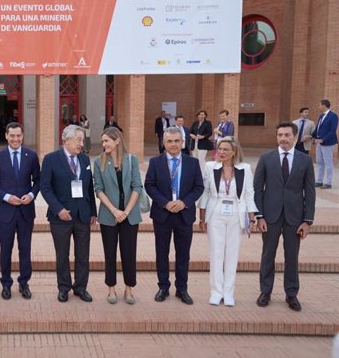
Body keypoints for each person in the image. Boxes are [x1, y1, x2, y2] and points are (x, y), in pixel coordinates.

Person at [254, 121, 315, 311]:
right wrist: (260, 216)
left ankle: (291, 294)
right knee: (267, 255)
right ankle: (265, 291)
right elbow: (257, 189)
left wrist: (308, 221)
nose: (283, 139)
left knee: (292, 256)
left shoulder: (305, 160)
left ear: (295, 137)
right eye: (280, 135)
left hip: (294, 218)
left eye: (287, 135)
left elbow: (310, 191)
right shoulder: (266, 158)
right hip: (270, 217)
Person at [145, 126, 204, 305]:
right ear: (164, 143)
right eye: (169, 141)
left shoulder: (192, 163)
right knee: (162, 252)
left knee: (183, 254)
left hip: (184, 214)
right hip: (162, 214)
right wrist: (166, 202)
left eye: (176, 141)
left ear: (182, 142)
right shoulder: (155, 162)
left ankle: (182, 288)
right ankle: (163, 287)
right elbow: (149, 185)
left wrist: (184, 202)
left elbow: (199, 187)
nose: (173, 144)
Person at [198, 137, 258, 306]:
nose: (221, 153)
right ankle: (216, 292)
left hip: (236, 214)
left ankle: (229, 292)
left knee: (232, 254)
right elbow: (206, 193)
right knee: (216, 253)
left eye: (225, 149)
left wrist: (252, 218)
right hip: (215, 212)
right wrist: (202, 217)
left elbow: (249, 194)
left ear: (234, 152)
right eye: (219, 149)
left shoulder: (245, 169)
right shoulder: (210, 167)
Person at [41, 125, 96, 303]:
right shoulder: (51, 159)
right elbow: (45, 188)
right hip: (60, 217)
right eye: (78, 140)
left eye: (83, 139)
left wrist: (93, 212)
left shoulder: (85, 160)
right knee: (62, 254)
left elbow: (89, 188)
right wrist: (58, 209)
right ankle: (64, 287)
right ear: (66, 140)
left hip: (82, 215)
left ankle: (81, 287)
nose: (82, 143)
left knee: (83, 254)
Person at [0, 122, 40, 300]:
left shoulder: (31, 156)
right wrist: (6, 197)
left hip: (26, 211)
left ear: (22, 136)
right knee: (6, 250)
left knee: (25, 249)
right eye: (12, 136)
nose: (15, 139)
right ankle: (6, 284)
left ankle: (24, 283)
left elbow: (38, 181)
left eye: (18, 136)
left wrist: (32, 195)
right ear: (6, 136)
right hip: (6, 211)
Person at [93, 127, 143, 305]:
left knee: (129, 253)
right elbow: (98, 189)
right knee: (110, 253)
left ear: (117, 141)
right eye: (103, 141)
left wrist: (126, 212)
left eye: (106, 140)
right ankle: (111, 288)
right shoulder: (99, 162)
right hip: (109, 215)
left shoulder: (132, 160)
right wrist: (114, 211)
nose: (104, 144)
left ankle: (129, 289)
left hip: (130, 216)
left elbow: (137, 186)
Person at [311, 99, 338, 189]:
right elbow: (317, 128)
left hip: (327, 143)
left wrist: (323, 139)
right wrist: (311, 136)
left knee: (328, 163)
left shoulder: (333, 116)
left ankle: (328, 183)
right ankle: (319, 181)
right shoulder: (321, 115)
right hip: (319, 142)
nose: (318, 107)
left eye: (319, 105)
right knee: (319, 162)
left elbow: (332, 131)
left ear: (324, 106)